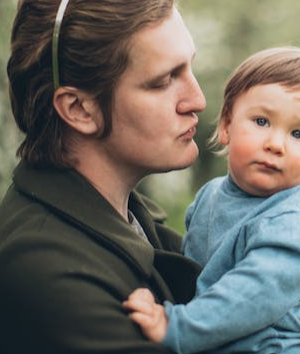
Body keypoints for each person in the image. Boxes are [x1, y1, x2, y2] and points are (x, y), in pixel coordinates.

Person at [0, 0, 206, 353]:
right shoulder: (49, 273)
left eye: (189, 68)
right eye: (162, 81)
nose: (197, 99)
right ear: (80, 109)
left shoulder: (128, 220)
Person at [124, 47, 300, 354]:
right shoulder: (210, 196)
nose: (275, 144)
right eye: (261, 121)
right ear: (226, 126)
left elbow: (250, 297)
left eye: (299, 134)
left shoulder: (296, 225)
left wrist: (174, 325)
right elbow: (196, 272)